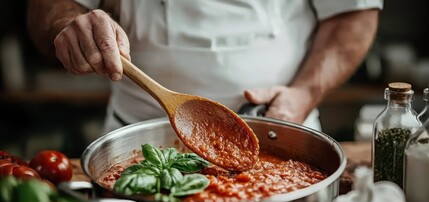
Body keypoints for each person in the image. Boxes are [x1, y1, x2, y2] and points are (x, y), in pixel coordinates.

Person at [27, 0, 383, 134]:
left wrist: (305, 92)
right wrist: (67, 25)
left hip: (282, 130)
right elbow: (48, 6)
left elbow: (354, 12)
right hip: (137, 142)